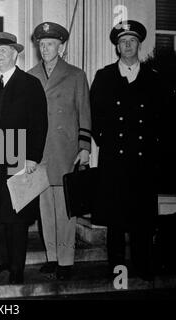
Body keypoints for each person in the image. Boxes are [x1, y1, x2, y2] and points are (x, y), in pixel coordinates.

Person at [90, 20, 159, 281]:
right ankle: (117, 269)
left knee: (143, 218)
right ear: (117, 47)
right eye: (122, 42)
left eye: (131, 41)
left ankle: (143, 266)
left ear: (139, 44)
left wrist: (155, 150)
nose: (127, 45)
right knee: (116, 219)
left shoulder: (153, 77)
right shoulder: (104, 76)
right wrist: (106, 142)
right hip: (114, 158)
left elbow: (162, 117)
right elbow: (94, 115)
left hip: (144, 160)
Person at [0, 32, 48, 284]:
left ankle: (17, 267)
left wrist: (32, 158)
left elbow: (40, 123)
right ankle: (1, 261)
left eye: (4, 51)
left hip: (18, 158)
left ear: (15, 54)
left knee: (16, 214)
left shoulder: (29, 84)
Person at [27, 22, 91, 280]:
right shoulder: (30, 75)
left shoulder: (76, 75)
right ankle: (52, 257)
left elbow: (85, 113)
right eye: (41, 44)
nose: (44, 48)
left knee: (65, 209)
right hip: (40, 151)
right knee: (45, 210)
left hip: (65, 150)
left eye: (50, 44)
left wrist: (84, 147)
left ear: (61, 47)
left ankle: (66, 260)